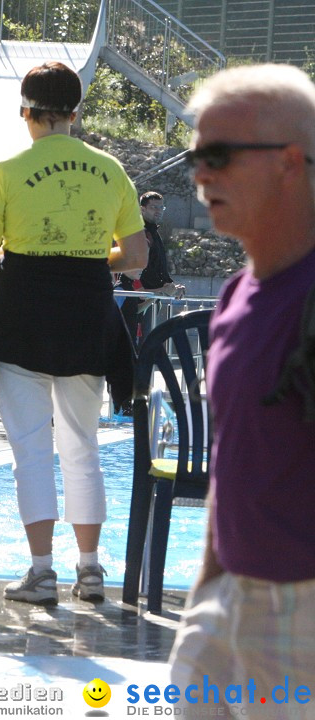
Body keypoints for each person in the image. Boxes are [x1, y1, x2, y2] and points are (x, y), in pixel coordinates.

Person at [0, 62, 147, 604]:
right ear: (74, 112)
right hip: (88, 319)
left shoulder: (4, 171)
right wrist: (87, 256)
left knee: (30, 450)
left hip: (21, 318)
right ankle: (89, 570)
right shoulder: (110, 170)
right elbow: (135, 256)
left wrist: (18, 253)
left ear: (26, 112)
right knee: (82, 447)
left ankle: (41, 572)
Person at [168, 64, 315, 715]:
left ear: (290, 162)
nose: (201, 174)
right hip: (225, 605)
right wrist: (205, 596)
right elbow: (234, 460)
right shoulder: (236, 296)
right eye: (197, 155)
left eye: (219, 156)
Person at [117, 191, 186, 350]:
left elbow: (157, 268)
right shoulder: (140, 233)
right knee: (139, 347)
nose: (159, 210)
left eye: (161, 207)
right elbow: (133, 267)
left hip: (151, 297)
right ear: (142, 209)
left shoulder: (153, 232)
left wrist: (172, 286)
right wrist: (155, 291)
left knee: (146, 346)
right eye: (154, 207)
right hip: (140, 298)